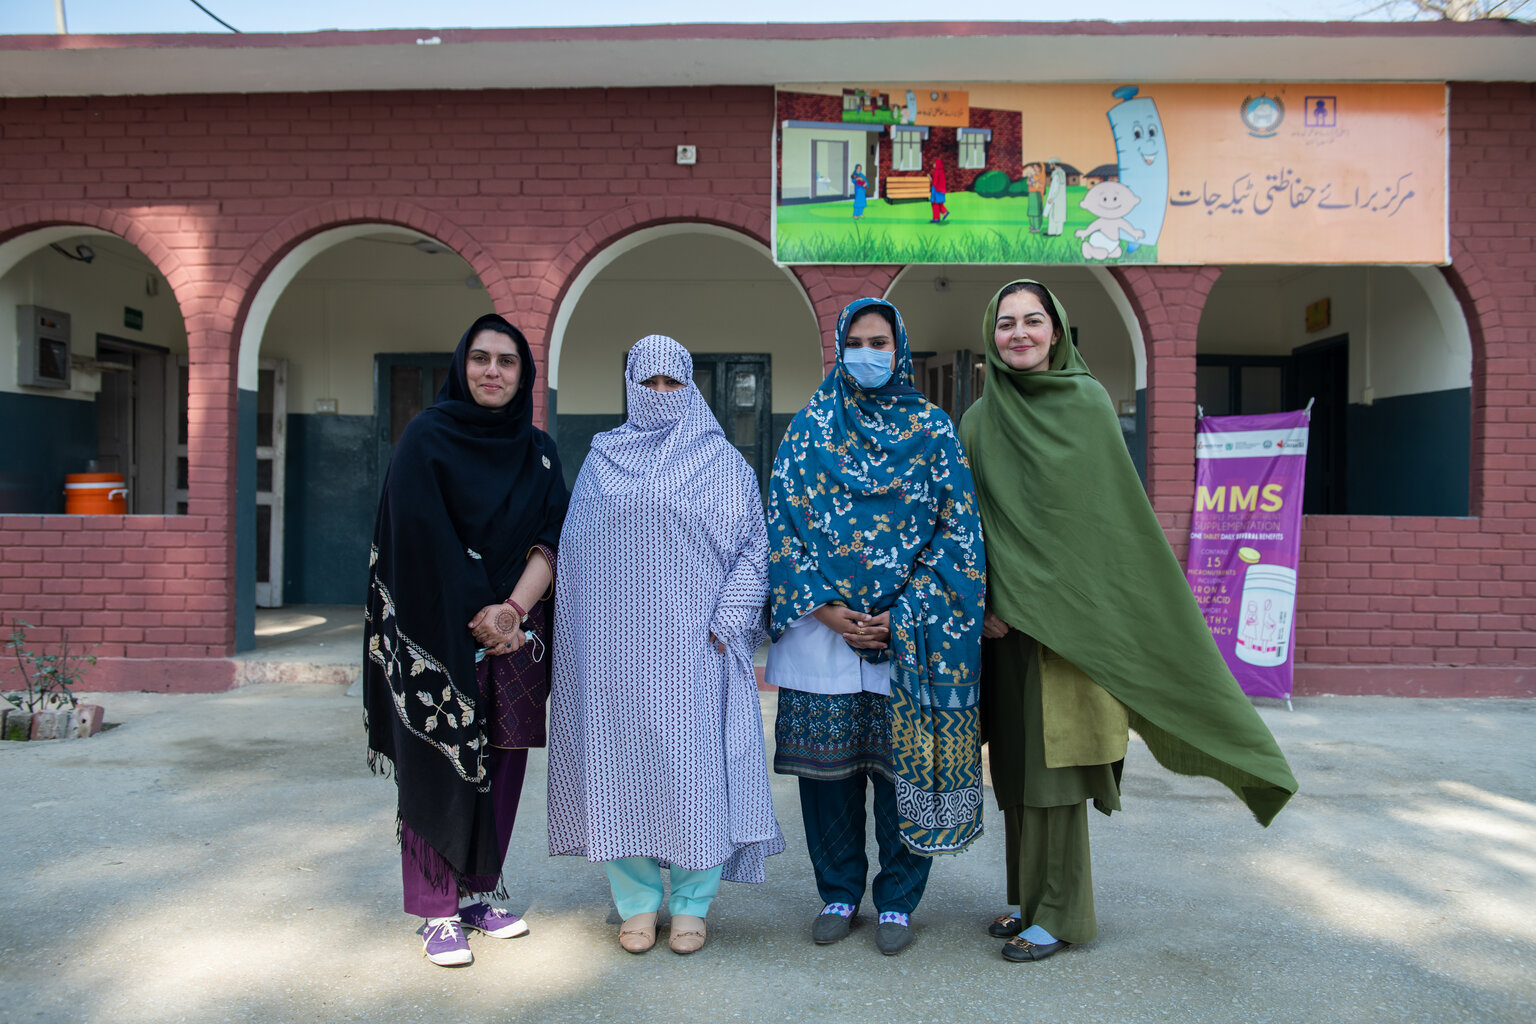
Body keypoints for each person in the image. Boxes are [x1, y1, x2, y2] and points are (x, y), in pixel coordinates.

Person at [958, 280, 1298, 963]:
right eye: (1005, 323)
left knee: (1058, 774)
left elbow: (1103, 526)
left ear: (1057, 331)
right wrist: (982, 602)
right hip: (1003, 631)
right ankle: (1028, 900)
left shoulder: (1084, 406)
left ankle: (1061, 915)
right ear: (990, 335)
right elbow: (972, 528)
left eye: (1033, 321)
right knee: (1019, 773)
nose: (1018, 333)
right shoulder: (977, 421)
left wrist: (1059, 600)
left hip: (1072, 629)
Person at [548, 334, 783, 956]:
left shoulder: (722, 462)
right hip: (613, 650)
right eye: (646, 383)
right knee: (620, 769)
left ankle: (692, 903)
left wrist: (723, 625)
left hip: (693, 649)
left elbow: (752, 551)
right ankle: (636, 901)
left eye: (670, 383)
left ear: (690, 386)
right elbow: (576, 551)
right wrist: (580, 635)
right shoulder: (603, 458)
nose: (658, 395)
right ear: (630, 387)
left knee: (693, 772)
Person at [766, 298, 985, 956]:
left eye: (879, 341)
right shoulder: (808, 428)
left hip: (908, 637)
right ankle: (837, 889)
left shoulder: (933, 430)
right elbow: (780, 523)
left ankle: (897, 901)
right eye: (856, 341)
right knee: (826, 778)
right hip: (821, 634)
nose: (868, 352)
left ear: (900, 349)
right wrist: (828, 610)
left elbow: (958, 536)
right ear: (840, 347)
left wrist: (903, 614)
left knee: (900, 772)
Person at [364, 313, 569, 968]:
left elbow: (555, 537)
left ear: (524, 374)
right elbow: (419, 538)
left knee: (503, 762)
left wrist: (512, 611)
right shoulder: (426, 438)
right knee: (439, 757)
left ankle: (480, 892)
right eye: (480, 358)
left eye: (506, 361)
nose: (492, 371)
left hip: (515, 634)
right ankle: (433, 908)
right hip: (436, 633)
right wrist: (481, 610)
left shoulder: (538, 450)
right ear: (462, 364)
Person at [1044, 161, 1068, 236]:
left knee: (1053, 215)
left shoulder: (1056, 174)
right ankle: (1058, 232)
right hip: (1060, 198)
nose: (1050, 166)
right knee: (1058, 215)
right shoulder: (1062, 172)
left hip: (1055, 198)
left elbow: (1055, 188)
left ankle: (1052, 232)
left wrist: (1052, 197)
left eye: (1051, 164)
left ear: (1054, 164)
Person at [929, 159, 950, 223]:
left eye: (935, 164)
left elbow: (934, 182)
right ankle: (945, 212)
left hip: (936, 190)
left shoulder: (936, 172)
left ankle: (936, 218)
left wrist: (930, 178)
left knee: (934, 204)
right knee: (939, 203)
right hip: (942, 190)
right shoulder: (942, 172)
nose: (934, 165)